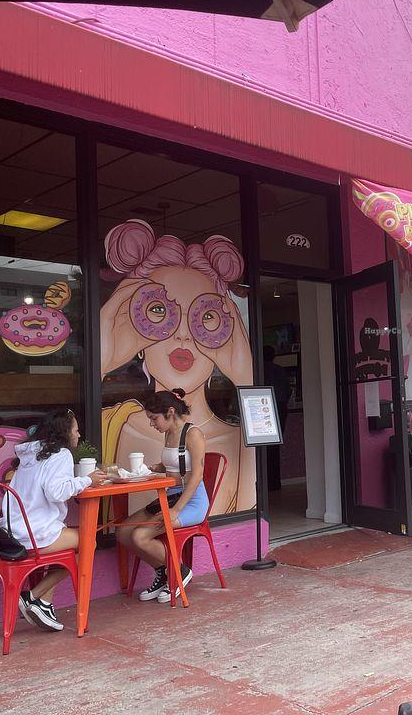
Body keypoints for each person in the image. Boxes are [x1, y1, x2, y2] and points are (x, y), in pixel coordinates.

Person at [99, 218, 255, 516]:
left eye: (206, 317)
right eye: (159, 311)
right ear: (134, 332)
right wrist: (102, 354)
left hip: (179, 511)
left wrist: (246, 378)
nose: (183, 334)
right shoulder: (111, 423)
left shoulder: (237, 440)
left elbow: (250, 514)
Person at [0, 409, 106, 632]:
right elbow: (57, 492)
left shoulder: (31, 455)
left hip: (12, 532)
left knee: (67, 543)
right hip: (34, 534)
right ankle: (33, 595)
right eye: (76, 430)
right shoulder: (61, 454)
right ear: (64, 432)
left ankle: (43, 604)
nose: (79, 435)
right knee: (89, 543)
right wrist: (86, 480)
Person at [116, 389, 209, 604]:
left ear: (170, 412)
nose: (152, 424)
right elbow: (173, 464)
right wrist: (151, 469)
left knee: (140, 536)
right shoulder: (168, 433)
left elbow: (196, 476)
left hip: (190, 502)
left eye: (154, 418)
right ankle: (164, 571)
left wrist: (176, 511)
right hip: (170, 497)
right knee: (123, 532)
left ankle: (180, 571)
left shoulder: (193, 434)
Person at [263, 345, 290, 491]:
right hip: (280, 408)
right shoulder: (280, 370)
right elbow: (288, 391)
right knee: (274, 447)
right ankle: (275, 482)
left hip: (265, 408)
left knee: (262, 448)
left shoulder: (259, 370)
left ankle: (264, 483)